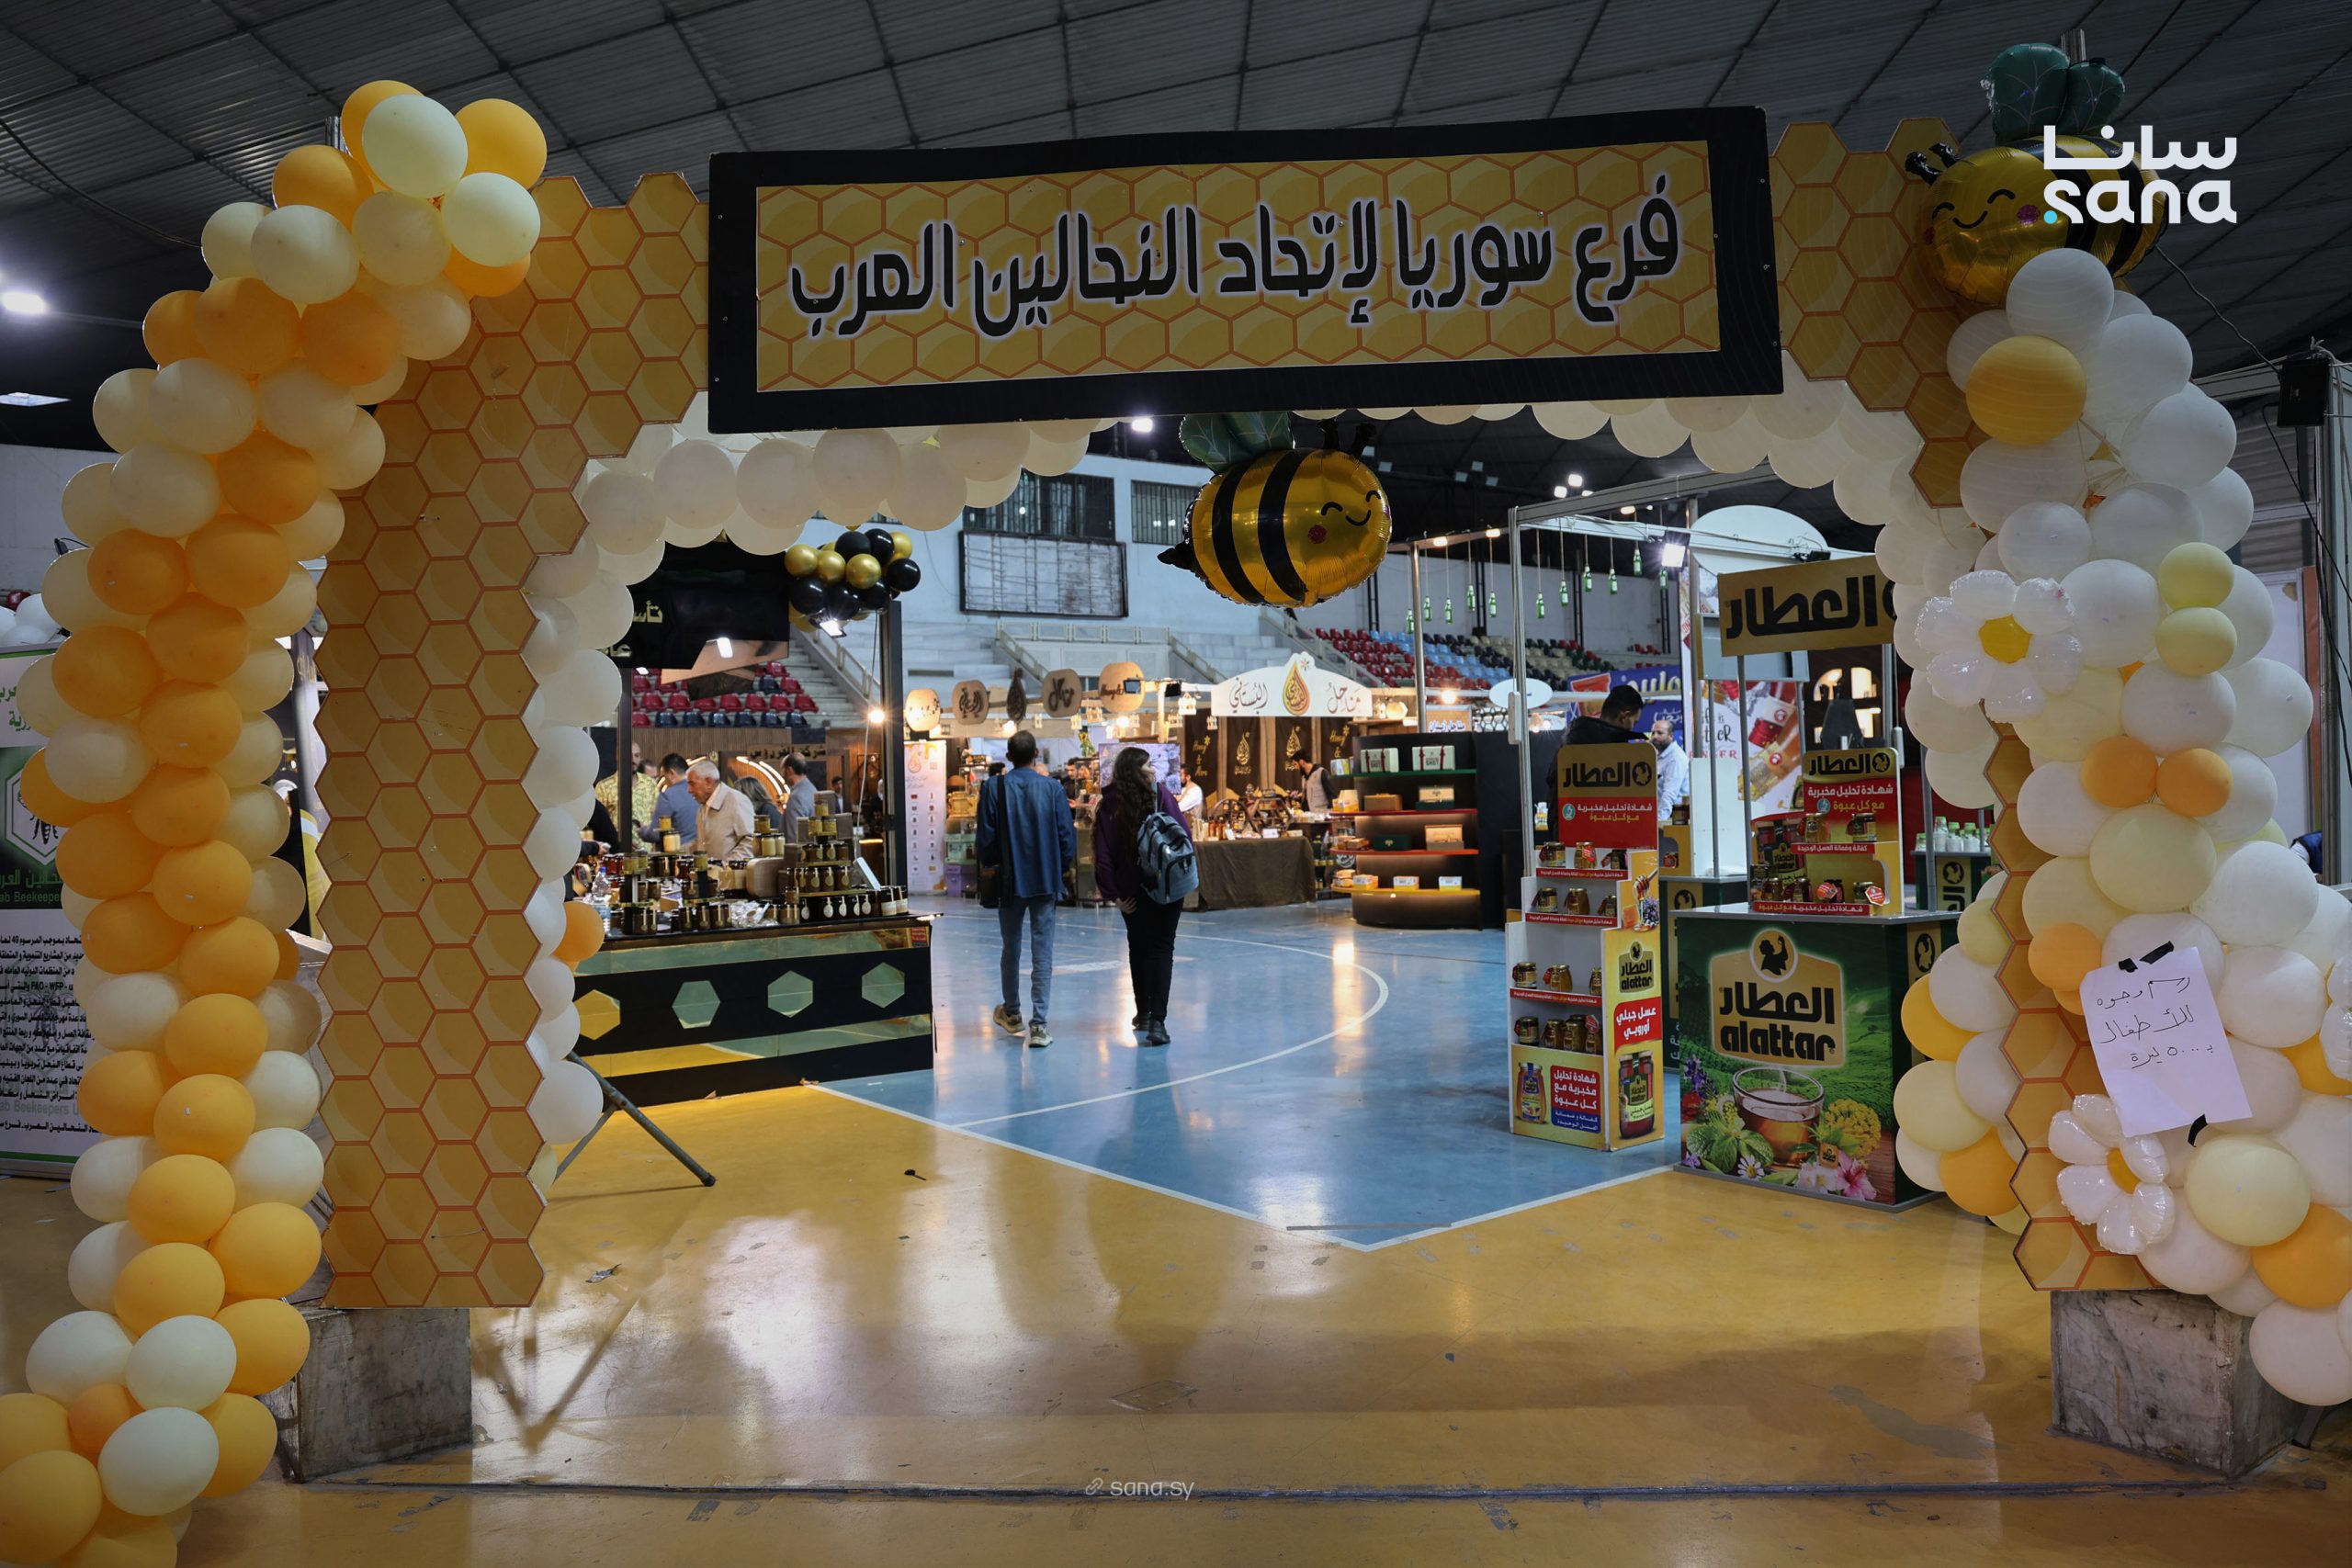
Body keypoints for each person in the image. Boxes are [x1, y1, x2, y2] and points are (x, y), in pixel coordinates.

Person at [977, 729, 1073, 1048]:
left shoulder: (994, 787)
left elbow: (986, 838)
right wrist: (1060, 867)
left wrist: (992, 865)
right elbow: (1066, 836)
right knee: (1042, 951)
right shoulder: (1053, 788)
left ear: (1008, 757)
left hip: (1009, 880)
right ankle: (1040, 1026)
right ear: (1036, 755)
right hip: (1045, 878)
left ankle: (1012, 1012)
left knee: (1011, 947)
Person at [1095, 746, 1191, 1046]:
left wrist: (1113, 894)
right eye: (1149, 764)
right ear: (1138, 771)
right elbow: (1183, 834)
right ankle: (1158, 1023)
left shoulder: (1109, 805)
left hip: (1131, 891)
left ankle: (1145, 1013)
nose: (1153, 769)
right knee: (1162, 948)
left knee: (1138, 947)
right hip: (1166, 886)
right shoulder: (1161, 796)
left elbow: (1102, 856)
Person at [685, 760, 754, 857]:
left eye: (692, 784)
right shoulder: (703, 807)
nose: (689, 790)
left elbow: (751, 841)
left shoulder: (736, 801)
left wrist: (728, 864)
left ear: (708, 782)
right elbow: (703, 843)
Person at [639, 753, 699, 845]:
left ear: (671, 773)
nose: (664, 782)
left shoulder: (667, 796)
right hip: (699, 849)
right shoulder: (699, 791)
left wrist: (642, 830)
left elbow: (654, 834)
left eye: (664, 777)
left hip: (677, 850)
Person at [1564, 683, 1646, 746]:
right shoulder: (1632, 746)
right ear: (1624, 717)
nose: (1632, 727)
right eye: (1634, 722)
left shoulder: (1573, 734)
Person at [1650, 715, 1690, 820]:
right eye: (1653, 733)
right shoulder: (1660, 755)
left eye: (1660, 733)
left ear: (1671, 736)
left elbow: (1669, 794)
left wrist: (1659, 822)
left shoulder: (1675, 758)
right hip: (1664, 814)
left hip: (1674, 817)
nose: (1655, 736)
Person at [779, 754, 819, 842]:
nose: (781, 774)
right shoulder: (812, 789)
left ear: (789, 770)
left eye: (782, 770)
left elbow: (794, 838)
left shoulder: (796, 797)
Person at [1174, 762, 1204, 828]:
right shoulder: (1181, 789)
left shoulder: (1195, 790)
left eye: (1180, 775)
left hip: (1192, 829)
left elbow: (1179, 808)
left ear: (1188, 777)